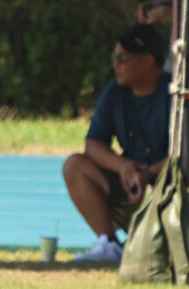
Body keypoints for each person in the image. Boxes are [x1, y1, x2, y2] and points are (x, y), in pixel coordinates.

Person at [63, 23, 172, 263]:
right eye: (114, 57)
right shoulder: (115, 92)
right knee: (75, 166)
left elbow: (183, 153)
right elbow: (93, 144)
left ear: (147, 60)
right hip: (131, 185)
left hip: (169, 187)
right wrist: (123, 167)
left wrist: (150, 174)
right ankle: (110, 246)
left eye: (122, 58)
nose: (115, 65)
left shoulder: (174, 93)